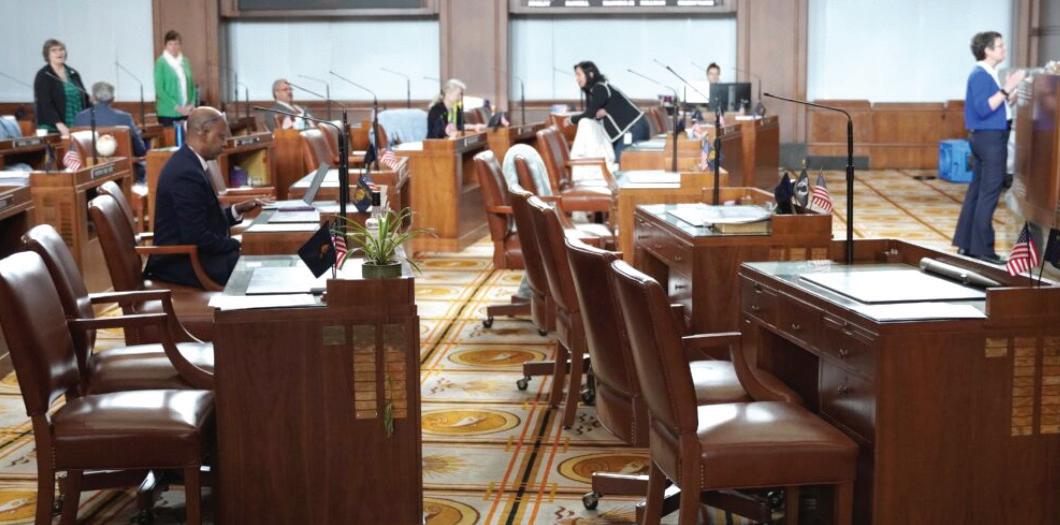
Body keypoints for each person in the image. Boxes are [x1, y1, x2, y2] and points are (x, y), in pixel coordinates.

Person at [145, 107, 267, 287]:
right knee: (260, 269)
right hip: (183, 264)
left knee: (261, 261)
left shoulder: (189, 162)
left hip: (196, 256)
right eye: (221, 137)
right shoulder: (185, 173)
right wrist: (237, 244)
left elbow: (202, 222)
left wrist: (236, 210)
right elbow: (196, 236)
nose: (225, 143)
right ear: (203, 133)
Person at [953, 31, 1026, 264]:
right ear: (987, 50)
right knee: (989, 193)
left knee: (977, 192)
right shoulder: (980, 74)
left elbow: (994, 105)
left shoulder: (987, 73)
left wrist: (1009, 95)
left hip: (987, 136)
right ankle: (983, 249)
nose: (1004, 49)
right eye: (1000, 46)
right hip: (990, 139)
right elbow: (984, 108)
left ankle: (967, 245)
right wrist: (1007, 88)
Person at [570, 60, 648, 161]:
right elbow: (600, 110)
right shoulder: (600, 87)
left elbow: (590, 114)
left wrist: (571, 120)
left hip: (633, 129)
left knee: (621, 162)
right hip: (634, 127)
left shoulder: (599, 87)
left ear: (590, 74)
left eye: (579, 75)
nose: (577, 79)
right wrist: (604, 111)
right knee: (622, 163)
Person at [74, 82, 148, 180]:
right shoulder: (125, 118)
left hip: (88, 175)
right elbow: (140, 150)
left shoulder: (79, 118)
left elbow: (75, 151)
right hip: (122, 174)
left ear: (92, 98)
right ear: (113, 99)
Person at [33, 39, 89, 137]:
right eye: (54, 50)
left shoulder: (73, 73)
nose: (59, 53)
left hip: (78, 126)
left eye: (61, 49)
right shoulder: (44, 75)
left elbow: (84, 97)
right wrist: (59, 124)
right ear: (47, 54)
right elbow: (45, 104)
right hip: (54, 128)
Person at [154, 30, 196, 127]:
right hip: (168, 113)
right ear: (165, 46)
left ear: (180, 45)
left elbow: (192, 86)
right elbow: (160, 90)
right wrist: (177, 107)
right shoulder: (161, 63)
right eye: (170, 44)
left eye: (176, 44)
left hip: (186, 111)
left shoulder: (185, 61)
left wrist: (191, 103)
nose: (173, 47)